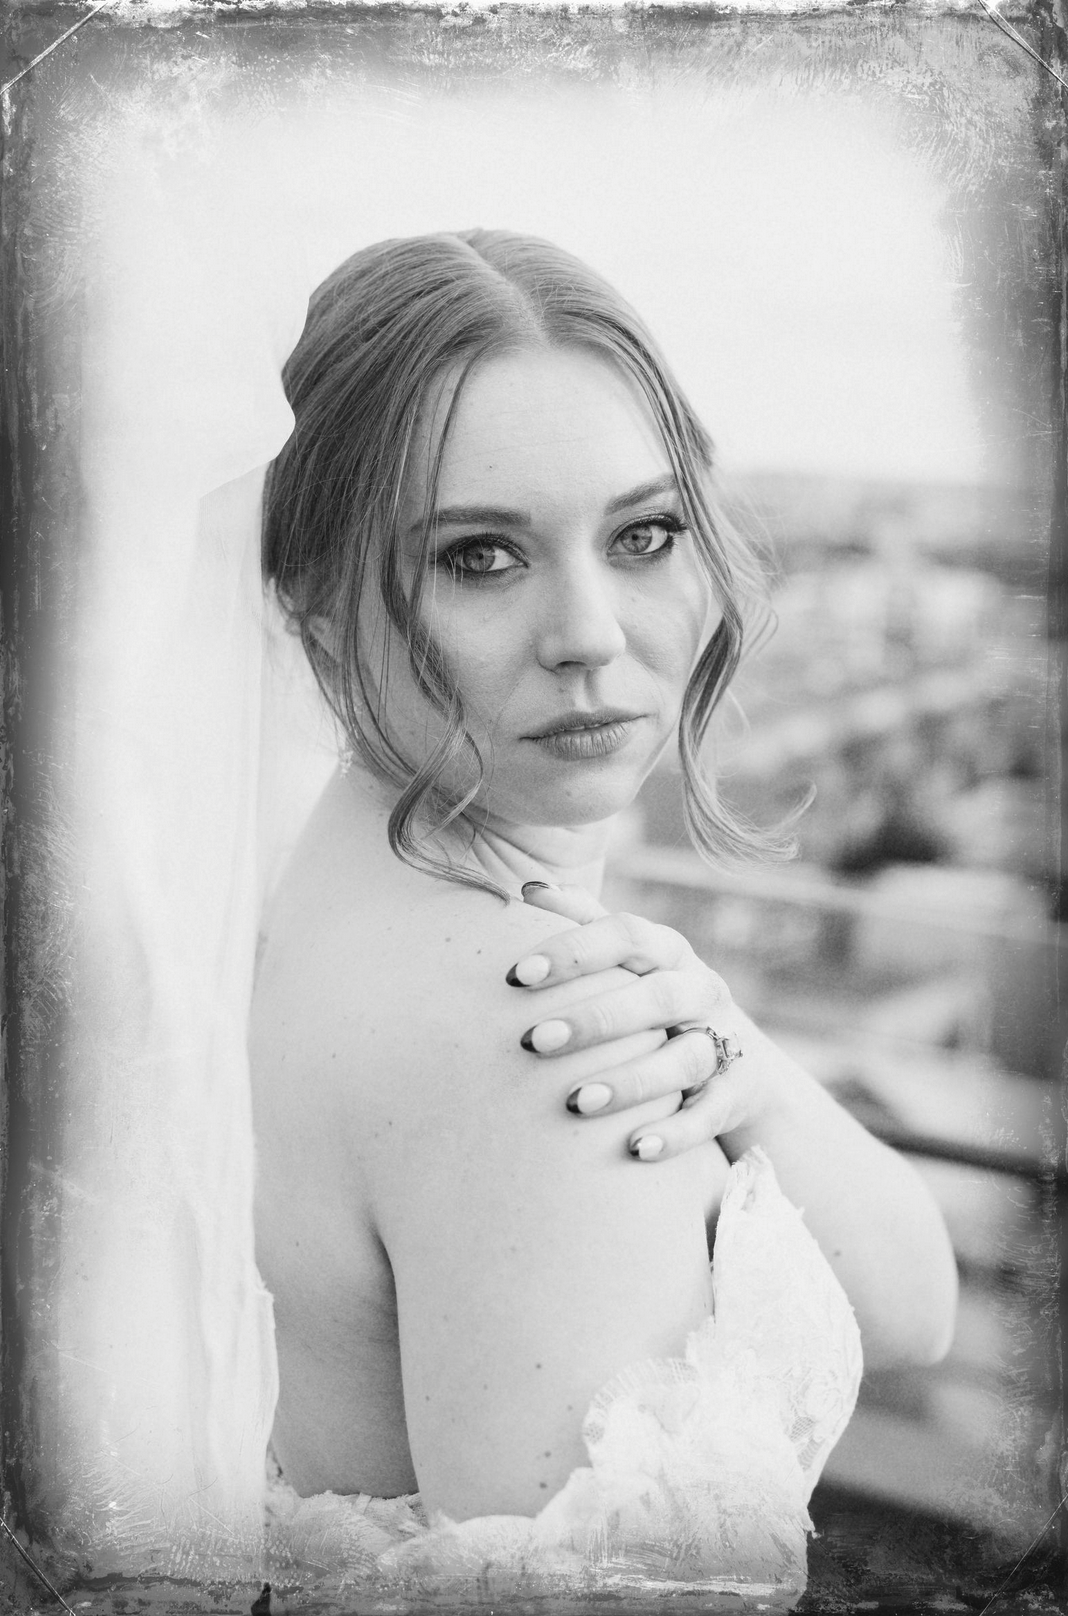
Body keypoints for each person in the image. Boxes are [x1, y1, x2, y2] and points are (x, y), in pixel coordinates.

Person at [250, 229, 957, 1597]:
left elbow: (916, 1308)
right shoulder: (540, 1040)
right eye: (479, 558)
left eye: (642, 536)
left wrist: (737, 1048)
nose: (591, 631)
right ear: (319, 611)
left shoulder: (341, 894)